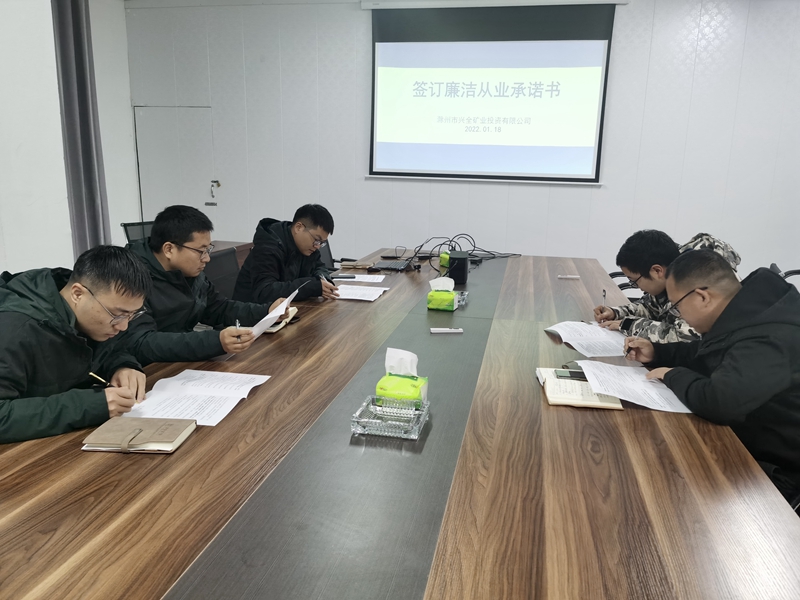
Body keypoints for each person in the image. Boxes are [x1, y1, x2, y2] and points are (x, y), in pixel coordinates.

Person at [625, 250, 800, 501]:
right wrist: (657, 353)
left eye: (677, 306)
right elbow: (709, 353)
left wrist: (672, 375)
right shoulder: (747, 310)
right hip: (746, 439)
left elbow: (720, 402)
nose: (679, 315)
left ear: (702, 297)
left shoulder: (770, 337)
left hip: (777, 472)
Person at [0, 245, 151, 443]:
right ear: (77, 294)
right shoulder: (14, 330)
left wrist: (122, 366)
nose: (123, 326)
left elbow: (107, 351)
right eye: (117, 314)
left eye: (132, 315)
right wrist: (91, 405)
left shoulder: (85, 313)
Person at [122, 205, 286, 365]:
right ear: (169, 249)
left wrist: (266, 311)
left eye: (208, 250)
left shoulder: (190, 273)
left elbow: (219, 308)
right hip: (146, 370)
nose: (207, 258)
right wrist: (216, 341)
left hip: (181, 362)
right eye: (201, 251)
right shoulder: (130, 278)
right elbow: (142, 342)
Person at [593, 230, 741, 343]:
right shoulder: (671, 268)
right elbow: (651, 307)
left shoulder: (694, 281)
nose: (637, 287)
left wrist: (629, 325)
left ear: (657, 271)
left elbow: (685, 336)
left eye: (634, 281)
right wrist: (616, 312)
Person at [232, 204, 339, 305]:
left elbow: (319, 266)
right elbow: (265, 292)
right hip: (253, 313)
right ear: (299, 228)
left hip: (285, 309)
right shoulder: (268, 247)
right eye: (316, 240)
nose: (318, 246)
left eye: (321, 243)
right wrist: (310, 286)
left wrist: (324, 280)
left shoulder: (307, 247)